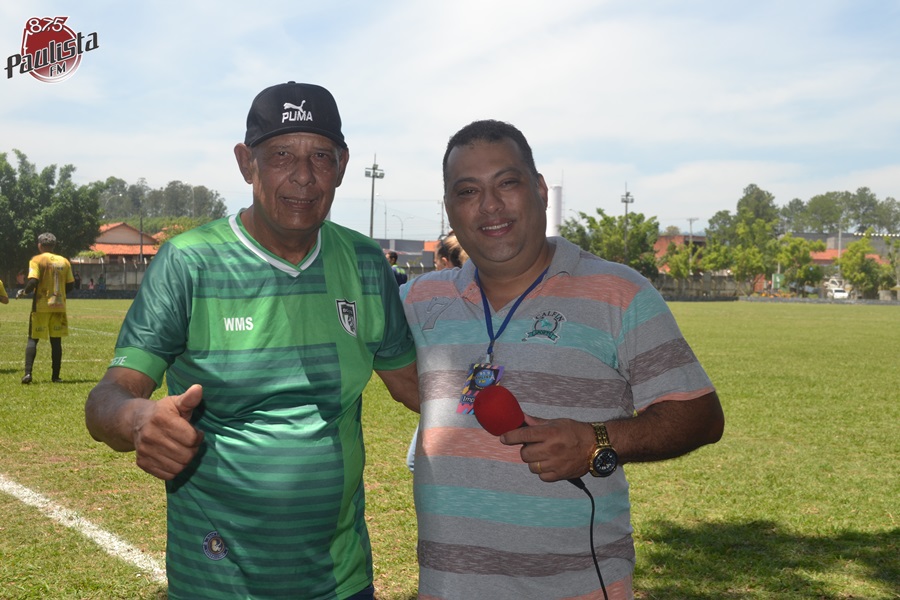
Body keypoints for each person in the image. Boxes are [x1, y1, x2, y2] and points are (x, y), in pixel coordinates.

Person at [85, 82, 419, 600]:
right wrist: (135, 419)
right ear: (247, 163)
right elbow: (109, 396)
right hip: (215, 580)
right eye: (281, 154)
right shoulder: (189, 261)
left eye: (321, 156)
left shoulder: (365, 263)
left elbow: (415, 385)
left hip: (340, 579)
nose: (303, 175)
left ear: (343, 166)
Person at [400, 120, 724, 599]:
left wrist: (597, 440)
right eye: (468, 191)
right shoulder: (419, 301)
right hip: (448, 588)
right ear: (450, 208)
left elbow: (701, 416)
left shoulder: (619, 292)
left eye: (507, 183)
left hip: (578, 587)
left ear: (539, 190)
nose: (489, 205)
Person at [405, 230, 469, 472]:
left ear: (443, 262)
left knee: (417, 459)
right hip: (471, 390)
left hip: (448, 395)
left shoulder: (434, 294)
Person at [18, 232, 75, 384]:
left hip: (41, 305)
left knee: (33, 339)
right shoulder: (64, 261)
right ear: (54, 245)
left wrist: (24, 292)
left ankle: (28, 374)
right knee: (56, 342)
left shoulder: (37, 260)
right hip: (59, 307)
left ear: (40, 245)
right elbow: (71, 285)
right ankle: (56, 376)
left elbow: (33, 282)